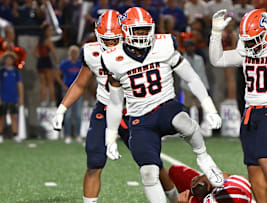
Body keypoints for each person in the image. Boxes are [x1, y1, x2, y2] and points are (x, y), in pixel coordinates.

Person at [52, 10, 178, 203]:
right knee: (94, 162)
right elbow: (80, 83)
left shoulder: (139, 48)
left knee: (152, 163)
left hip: (135, 111)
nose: (110, 44)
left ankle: (174, 199)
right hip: (105, 108)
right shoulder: (92, 52)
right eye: (106, 39)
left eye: (114, 39)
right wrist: (62, 109)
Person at [102, 7, 224, 203]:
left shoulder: (164, 45)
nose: (142, 34)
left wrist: (208, 106)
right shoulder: (113, 58)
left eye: (145, 29)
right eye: (137, 30)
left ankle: (203, 157)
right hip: (140, 120)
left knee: (184, 122)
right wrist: (110, 137)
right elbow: (115, 103)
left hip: (165, 107)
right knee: (149, 173)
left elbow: (191, 76)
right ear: (125, 31)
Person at [209, 9, 267, 203]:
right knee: (253, 165)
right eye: (247, 40)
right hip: (250, 112)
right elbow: (217, 60)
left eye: (254, 39)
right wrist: (216, 33)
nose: (250, 44)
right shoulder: (246, 50)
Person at [168, 165, 252, 203]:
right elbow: (226, 176)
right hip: (212, 191)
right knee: (176, 171)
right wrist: (209, 177)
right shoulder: (239, 184)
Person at [55, 45, 82, 144]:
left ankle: (78, 134)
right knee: (68, 114)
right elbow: (57, 75)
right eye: (72, 53)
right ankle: (67, 135)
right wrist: (63, 85)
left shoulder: (80, 64)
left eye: (75, 53)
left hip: (78, 91)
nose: (74, 55)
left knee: (78, 114)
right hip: (68, 91)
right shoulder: (65, 64)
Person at [0, 51, 24, 143]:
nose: (9, 60)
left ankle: (15, 135)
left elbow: (20, 85)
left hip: (13, 98)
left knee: (13, 116)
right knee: (1, 117)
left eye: (10, 59)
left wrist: (21, 97)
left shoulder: (16, 71)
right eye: (7, 58)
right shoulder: (1, 71)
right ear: (4, 60)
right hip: (3, 98)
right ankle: (0, 135)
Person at [34, 23, 58, 107]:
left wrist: (40, 57)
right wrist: (56, 62)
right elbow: (53, 53)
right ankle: (52, 101)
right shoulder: (48, 41)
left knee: (43, 84)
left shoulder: (39, 41)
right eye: (49, 30)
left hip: (40, 62)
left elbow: (35, 53)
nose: (50, 32)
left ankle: (43, 101)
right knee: (50, 83)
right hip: (47, 61)